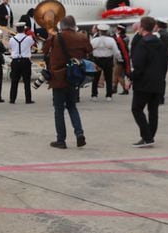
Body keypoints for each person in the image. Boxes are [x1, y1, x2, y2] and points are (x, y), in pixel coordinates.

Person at [42, 15, 92, 149]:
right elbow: (89, 50)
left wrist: (50, 35)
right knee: (72, 107)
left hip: (58, 77)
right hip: (74, 76)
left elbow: (44, 50)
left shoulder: (56, 37)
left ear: (61, 25)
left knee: (59, 110)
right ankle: (79, 133)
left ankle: (61, 140)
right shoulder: (81, 37)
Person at [130, 16, 168, 148]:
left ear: (142, 27)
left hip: (143, 83)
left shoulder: (142, 44)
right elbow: (164, 63)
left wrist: (132, 77)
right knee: (153, 110)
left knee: (136, 109)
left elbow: (138, 65)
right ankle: (150, 136)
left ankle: (147, 136)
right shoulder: (160, 43)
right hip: (157, 81)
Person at [90, 24, 122, 101]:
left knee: (95, 78)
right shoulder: (111, 40)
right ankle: (109, 95)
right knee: (108, 78)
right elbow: (116, 52)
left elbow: (89, 50)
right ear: (107, 31)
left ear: (99, 31)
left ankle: (94, 95)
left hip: (97, 60)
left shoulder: (94, 40)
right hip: (108, 60)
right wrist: (119, 58)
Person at [9, 22, 35, 104]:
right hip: (25, 60)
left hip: (15, 61)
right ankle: (28, 99)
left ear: (16, 29)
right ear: (24, 29)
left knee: (14, 81)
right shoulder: (28, 38)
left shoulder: (12, 39)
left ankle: (12, 99)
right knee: (27, 80)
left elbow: (10, 47)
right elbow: (32, 44)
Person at [155, 19, 168, 103]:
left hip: (157, 60)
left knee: (157, 79)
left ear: (158, 25)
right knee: (162, 79)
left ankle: (158, 98)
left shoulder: (159, 35)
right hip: (165, 59)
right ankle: (161, 98)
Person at [113, 25, 131, 95]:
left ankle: (125, 89)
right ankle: (114, 87)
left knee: (118, 75)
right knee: (118, 74)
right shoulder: (126, 37)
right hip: (125, 58)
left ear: (119, 30)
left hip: (120, 58)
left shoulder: (120, 39)